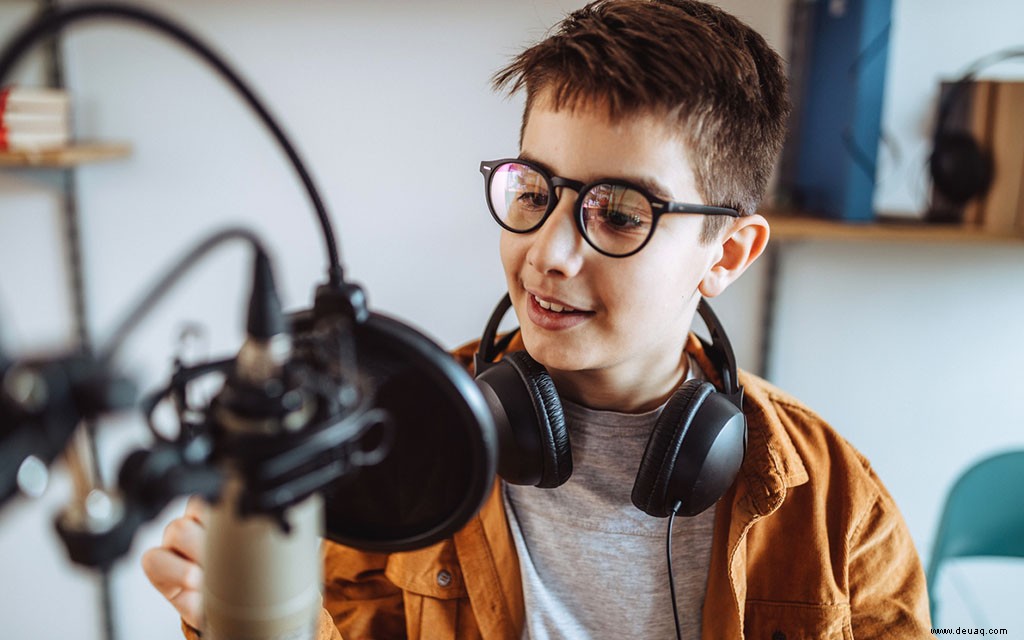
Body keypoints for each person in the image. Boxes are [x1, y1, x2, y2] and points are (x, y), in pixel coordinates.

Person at [143, 1, 933, 638]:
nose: (548, 254)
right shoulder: (389, 435)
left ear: (725, 256)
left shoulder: (838, 508)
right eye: (532, 192)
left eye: (619, 213)